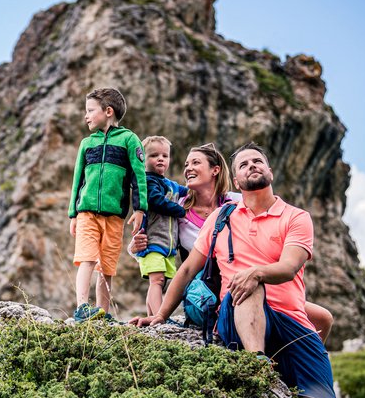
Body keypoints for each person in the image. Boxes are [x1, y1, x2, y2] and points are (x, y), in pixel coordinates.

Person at [131, 142, 345, 398]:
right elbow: (186, 270)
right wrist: (161, 316)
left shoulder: (296, 217)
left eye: (257, 161)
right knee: (247, 282)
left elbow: (289, 267)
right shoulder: (222, 217)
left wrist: (256, 272)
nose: (251, 166)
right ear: (235, 180)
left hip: (291, 318)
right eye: (243, 165)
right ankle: (256, 365)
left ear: (269, 170)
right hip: (236, 314)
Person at [130, 143, 334, 342]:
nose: (188, 169)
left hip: (249, 278)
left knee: (324, 318)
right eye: (186, 165)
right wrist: (135, 247)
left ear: (215, 170)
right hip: (207, 289)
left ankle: (300, 354)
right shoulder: (177, 208)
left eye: (195, 163)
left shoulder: (236, 202)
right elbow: (160, 239)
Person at [68, 88, 147, 321]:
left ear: (108, 111)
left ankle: (102, 312)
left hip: (115, 216)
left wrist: (140, 208)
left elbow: (138, 177)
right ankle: (82, 307)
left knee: (107, 266)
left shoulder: (129, 140)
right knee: (87, 258)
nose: (86, 116)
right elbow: (77, 181)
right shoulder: (86, 144)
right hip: (86, 213)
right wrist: (73, 213)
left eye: (90, 110)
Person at [135, 136, 188, 315]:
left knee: (160, 282)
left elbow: (188, 192)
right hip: (152, 242)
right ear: (143, 159)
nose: (160, 159)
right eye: (154, 155)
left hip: (168, 245)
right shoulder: (147, 182)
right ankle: (159, 317)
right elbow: (156, 201)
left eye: (165, 156)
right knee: (156, 281)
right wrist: (181, 211)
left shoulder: (170, 184)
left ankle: (152, 316)